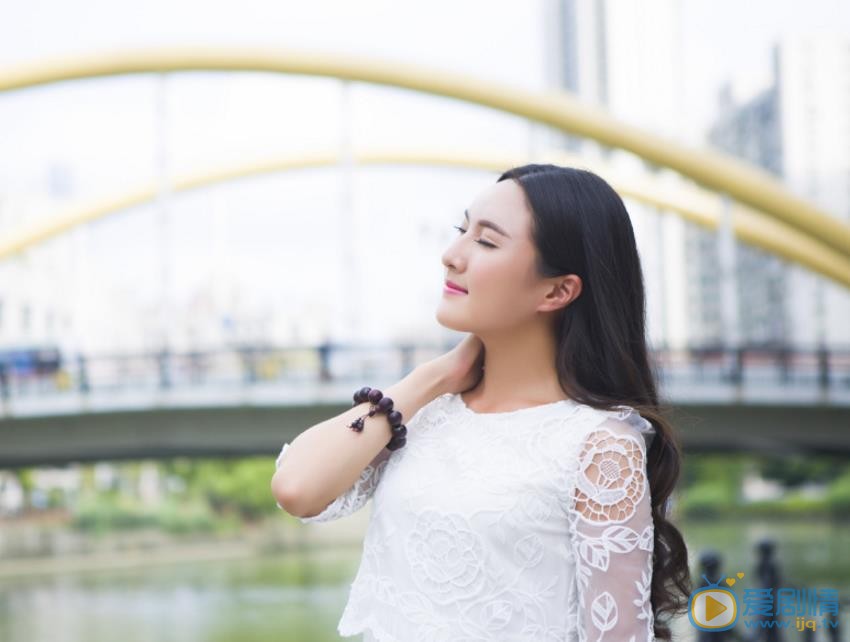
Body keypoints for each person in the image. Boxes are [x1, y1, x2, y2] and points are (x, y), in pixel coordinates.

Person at [271, 164, 692, 641]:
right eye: (461, 231)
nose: (451, 256)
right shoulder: (425, 412)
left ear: (558, 290)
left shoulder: (598, 446)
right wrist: (433, 377)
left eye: (486, 242)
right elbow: (297, 489)